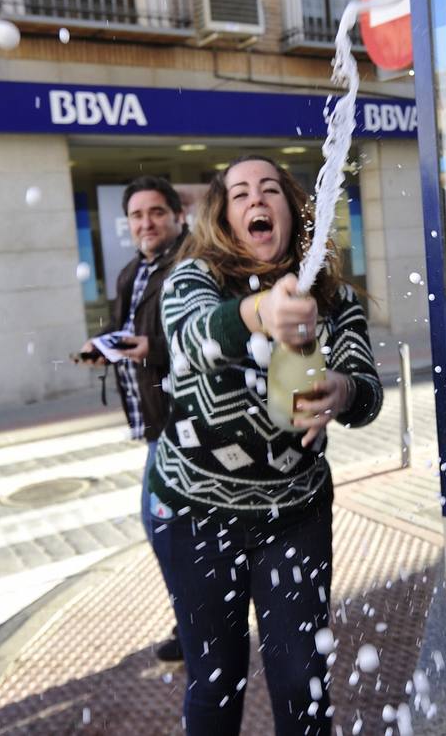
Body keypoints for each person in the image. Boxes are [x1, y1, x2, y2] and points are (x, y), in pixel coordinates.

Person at [149, 155, 383, 735]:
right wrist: (260, 313)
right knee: (216, 682)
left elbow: (367, 390)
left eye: (270, 189)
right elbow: (193, 334)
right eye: (240, 193)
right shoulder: (192, 278)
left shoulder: (333, 299)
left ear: (291, 208)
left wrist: (341, 389)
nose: (257, 200)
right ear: (224, 216)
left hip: (294, 515)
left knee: (304, 685)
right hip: (194, 513)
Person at [77, 175, 187, 662]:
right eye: (137, 216)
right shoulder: (130, 273)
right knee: (177, 526)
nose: (147, 223)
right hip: (153, 419)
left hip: (183, 417)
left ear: (176, 215)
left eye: (156, 213)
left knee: (161, 522)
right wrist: (104, 347)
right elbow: (126, 332)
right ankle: (200, 618)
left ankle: (197, 623)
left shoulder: (192, 263)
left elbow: (207, 334)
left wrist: (152, 350)